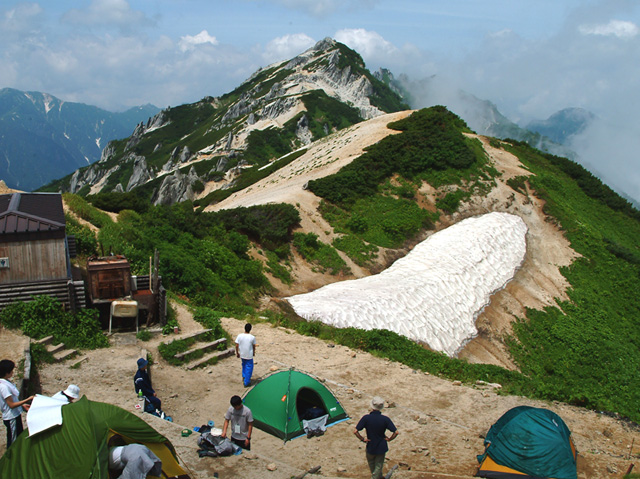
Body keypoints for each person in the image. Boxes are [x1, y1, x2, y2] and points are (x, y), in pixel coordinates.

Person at [354, 396, 398, 479]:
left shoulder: (366, 418)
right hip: (381, 446)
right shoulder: (385, 419)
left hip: (370, 445)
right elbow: (396, 432)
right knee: (378, 467)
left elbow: (355, 431)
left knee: (373, 466)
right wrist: (389, 439)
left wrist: (362, 439)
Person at [0, 359, 34, 449]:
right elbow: (11, 405)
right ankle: (10, 461)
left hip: (15, 415)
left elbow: (13, 401)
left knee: (18, 438)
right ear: (7, 372)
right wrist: (27, 399)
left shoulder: (6, 383)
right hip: (11, 417)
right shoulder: (4, 387)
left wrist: (22, 406)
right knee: (13, 442)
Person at [235, 323, 256, 387]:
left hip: (242, 354)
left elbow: (236, 345)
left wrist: (237, 352)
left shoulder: (239, 336)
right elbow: (253, 346)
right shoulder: (252, 337)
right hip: (249, 355)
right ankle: (246, 382)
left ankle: (244, 376)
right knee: (249, 367)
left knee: (244, 365)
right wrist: (254, 352)